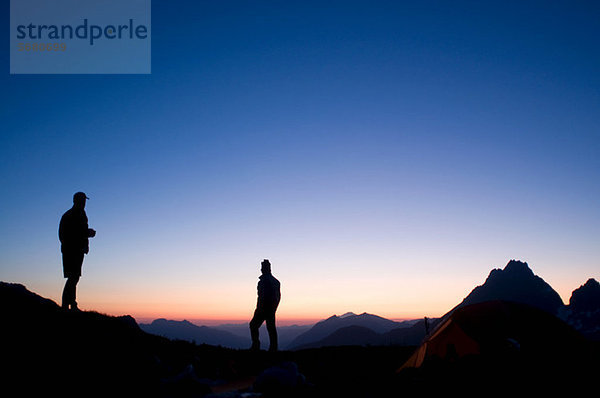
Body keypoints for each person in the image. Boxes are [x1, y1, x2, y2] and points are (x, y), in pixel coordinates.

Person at [58, 192, 96, 311]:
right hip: (72, 250)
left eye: (84, 200)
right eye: (82, 200)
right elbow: (73, 233)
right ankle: (66, 304)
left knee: (74, 276)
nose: (84, 203)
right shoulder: (72, 215)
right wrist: (87, 233)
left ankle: (72, 304)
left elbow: (78, 232)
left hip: (76, 250)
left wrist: (85, 243)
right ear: (77, 201)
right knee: (73, 277)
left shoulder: (79, 214)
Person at [250, 259, 281, 351]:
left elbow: (263, 296)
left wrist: (259, 308)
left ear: (266, 268)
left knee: (253, 325)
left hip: (263, 308)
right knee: (271, 328)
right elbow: (278, 297)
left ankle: (256, 346)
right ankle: (273, 348)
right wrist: (274, 308)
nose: (261, 269)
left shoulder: (264, 281)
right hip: (271, 309)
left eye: (262, 267)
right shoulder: (276, 281)